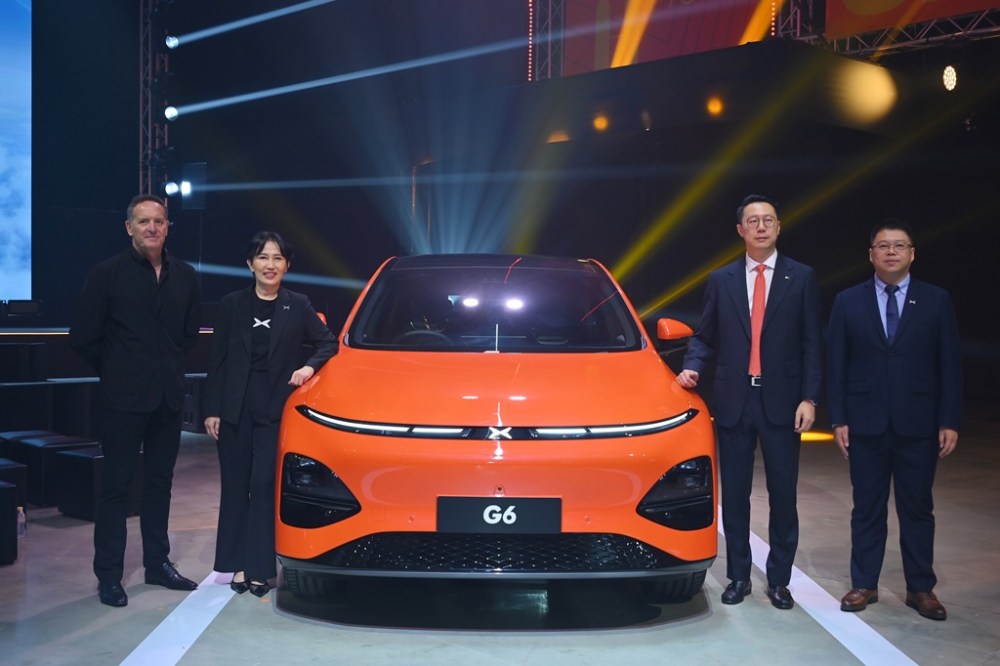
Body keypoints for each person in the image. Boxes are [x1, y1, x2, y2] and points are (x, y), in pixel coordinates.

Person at [677, 194, 822, 610]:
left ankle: (779, 580)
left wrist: (810, 397)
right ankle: (738, 576)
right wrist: (692, 367)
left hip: (782, 401)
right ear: (740, 230)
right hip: (734, 400)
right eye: (753, 221)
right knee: (736, 495)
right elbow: (705, 336)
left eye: (769, 220)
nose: (761, 227)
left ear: (778, 227)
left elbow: (813, 342)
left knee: (783, 495)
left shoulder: (801, 277)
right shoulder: (721, 280)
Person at [70, 194, 202, 607]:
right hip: (122, 399)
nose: (152, 228)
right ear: (129, 227)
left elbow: (189, 335)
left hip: (167, 398)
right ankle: (109, 575)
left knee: (160, 485)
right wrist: (117, 370)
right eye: (143, 221)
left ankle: (157, 564)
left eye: (159, 221)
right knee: (116, 488)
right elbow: (83, 337)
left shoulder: (185, 275)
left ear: (167, 227)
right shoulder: (106, 274)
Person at [828, 219, 961, 621]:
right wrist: (839, 418)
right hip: (865, 422)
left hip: (918, 423)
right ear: (871, 255)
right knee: (866, 507)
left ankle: (921, 588)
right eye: (883, 246)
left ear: (912, 254)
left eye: (899, 246)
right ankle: (864, 583)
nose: (891, 252)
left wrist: (949, 419)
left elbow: (949, 364)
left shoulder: (936, 300)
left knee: (917, 509)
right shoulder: (847, 301)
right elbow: (837, 364)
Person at [203, 231, 337, 597]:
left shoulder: (298, 304)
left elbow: (328, 342)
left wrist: (308, 367)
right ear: (250, 264)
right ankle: (237, 564)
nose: (270, 265)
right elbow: (217, 360)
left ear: (287, 265)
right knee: (235, 487)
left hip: (275, 409)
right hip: (234, 407)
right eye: (263, 257)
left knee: (263, 485)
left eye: (277, 258)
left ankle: (260, 568)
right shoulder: (232, 304)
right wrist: (212, 409)